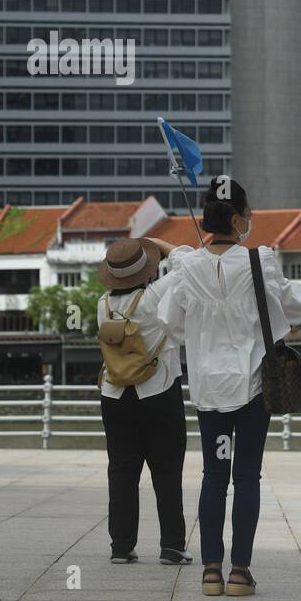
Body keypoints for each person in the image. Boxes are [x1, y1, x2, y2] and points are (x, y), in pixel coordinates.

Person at [156, 178, 301, 597]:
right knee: (247, 476)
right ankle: (240, 570)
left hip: (209, 388)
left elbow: (169, 321)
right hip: (253, 386)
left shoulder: (186, 268)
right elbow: (295, 306)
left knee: (213, 475)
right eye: (249, 213)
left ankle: (210, 572)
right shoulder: (261, 260)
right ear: (238, 218)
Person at [96, 236, 190, 566]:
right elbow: (188, 262)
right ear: (146, 271)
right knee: (166, 470)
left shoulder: (102, 305)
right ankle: (172, 547)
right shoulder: (153, 297)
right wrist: (161, 244)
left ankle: (121, 546)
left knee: (121, 471)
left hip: (114, 395)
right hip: (158, 393)